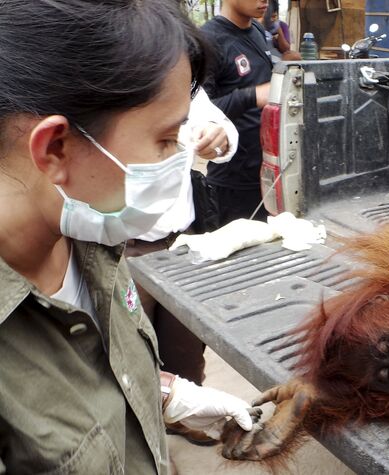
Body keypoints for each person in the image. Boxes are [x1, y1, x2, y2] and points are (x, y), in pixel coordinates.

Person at [0, 1, 254, 473]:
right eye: (165, 139)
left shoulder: (91, 239)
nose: (178, 158)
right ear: (55, 148)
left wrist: (167, 394)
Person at [125, 87, 239, 390]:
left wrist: (218, 135)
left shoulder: (179, 76)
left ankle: (184, 413)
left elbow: (219, 127)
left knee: (186, 342)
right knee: (131, 350)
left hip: (182, 244)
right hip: (126, 250)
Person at [202, 0, 274, 226]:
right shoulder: (207, 40)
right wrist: (250, 97)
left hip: (267, 172)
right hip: (232, 180)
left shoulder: (257, 30)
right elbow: (195, 113)